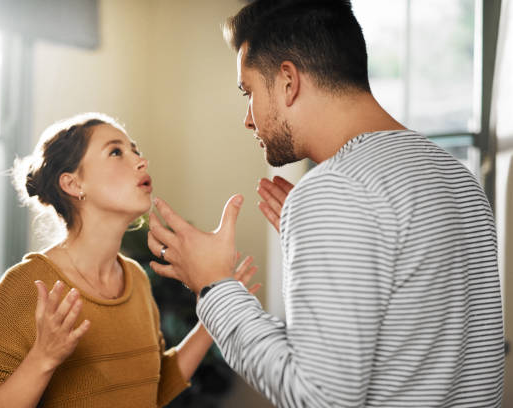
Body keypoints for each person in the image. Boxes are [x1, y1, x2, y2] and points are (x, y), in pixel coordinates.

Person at [146, 0, 504, 407]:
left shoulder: (334, 191)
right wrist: (325, 248)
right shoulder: (456, 175)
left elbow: (319, 400)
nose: (248, 118)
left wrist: (214, 286)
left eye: (248, 92)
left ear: (287, 81)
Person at [0, 112, 259, 407]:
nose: (141, 161)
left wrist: (211, 318)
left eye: (136, 150)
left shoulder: (136, 279)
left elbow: (151, 390)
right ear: (73, 184)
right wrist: (43, 358)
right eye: (116, 151)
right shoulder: (27, 285)